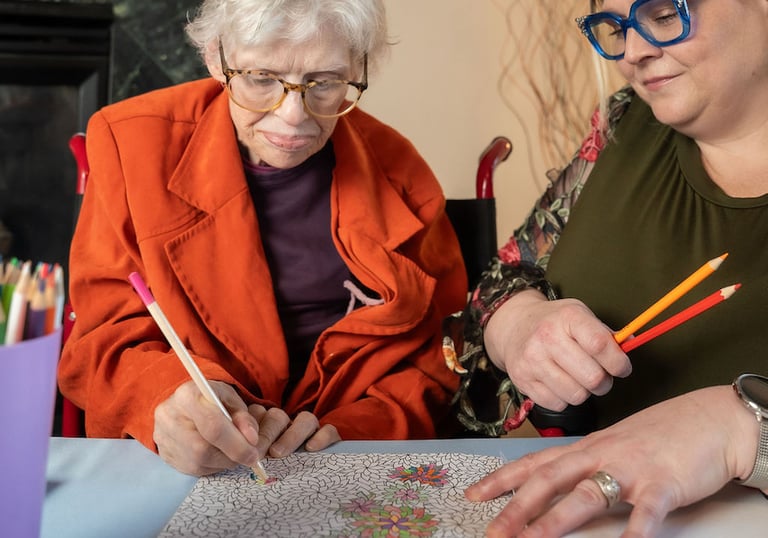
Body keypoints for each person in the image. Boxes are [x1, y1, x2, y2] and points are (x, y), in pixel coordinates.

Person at [58, 0, 466, 477]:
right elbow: (99, 340)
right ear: (216, 58)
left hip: (345, 460)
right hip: (194, 463)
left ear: (357, 69)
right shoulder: (129, 144)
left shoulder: (401, 171)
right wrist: (163, 398)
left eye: (325, 83)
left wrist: (358, 428)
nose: (293, 117)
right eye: (261, 79)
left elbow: (443, 351)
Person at [445, 0, 768, 535]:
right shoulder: (623, 122)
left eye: (665, 13)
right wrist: (517, 322)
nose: (635, 52)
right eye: (615, 26)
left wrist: (743, 428)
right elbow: (498, 284)